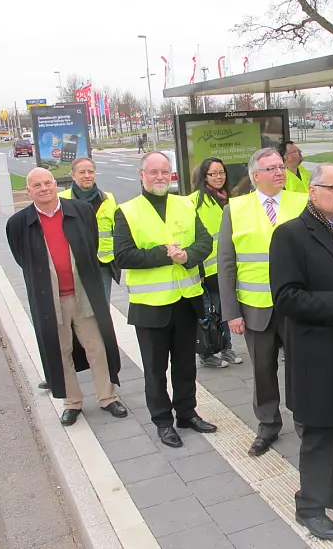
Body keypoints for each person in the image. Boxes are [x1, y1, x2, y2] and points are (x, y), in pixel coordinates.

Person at [270, 164, 333, 541]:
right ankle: (310, 506)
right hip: (316, 355)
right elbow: (286, 297)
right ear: (313, 192)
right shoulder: (291, 235)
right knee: (319, 434)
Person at [114, 151, 218, 448]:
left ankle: (187, 413)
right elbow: (123, 256)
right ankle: (162, 421)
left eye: (165, 172)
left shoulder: (184, 204)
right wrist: (163, 253)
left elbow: (205, 242)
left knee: (186, 365)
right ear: (142, 174)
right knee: (156, 369)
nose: (160, 177)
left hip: (186, 302)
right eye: (154, 172)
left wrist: (188, 257)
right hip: (150, 307)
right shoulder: (127, 211)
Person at [7, 168, 125, 426]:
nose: (44, 188)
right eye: (36, 185)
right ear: (28, 191)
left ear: (56, 184)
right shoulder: (18, 223)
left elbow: (91, 243)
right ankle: (72, 402)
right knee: (61, 351)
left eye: (47, 182)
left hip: (83, 295)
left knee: (96, 346)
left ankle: (108, 397)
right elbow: (22, 259)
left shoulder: (80, 211)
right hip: (50, 300)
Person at [217, 148, 308, 457]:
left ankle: (305, 422)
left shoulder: (302, 202)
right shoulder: (235, 208)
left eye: (281, 166)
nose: (280, 172)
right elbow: (226, 263)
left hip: (296, 306)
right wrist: (231, 312)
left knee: (300, 369)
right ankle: (268, 425)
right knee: (262, 372)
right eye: (271, 168)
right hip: (255, 308)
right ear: (256, 176)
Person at [189, 157, 241, 368]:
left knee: (225, 309)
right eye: (213, 173)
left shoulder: (231, 199)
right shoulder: (194, 201)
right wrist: (198, 267)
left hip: (227, 266)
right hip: (206, 268)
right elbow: (192, 237)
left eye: (222, 172)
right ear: (204, 176)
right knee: (208, 311)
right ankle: (206, 353)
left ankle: (226, 348)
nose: (219, 177)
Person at [58, 157, 120, 303]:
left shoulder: (108, 198)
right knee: (77, 308)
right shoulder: (61, 199)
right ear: (73, 175)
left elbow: (117, 230)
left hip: (102, 264)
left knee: (102, 308)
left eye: (90, 172)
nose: (87, 176)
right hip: (73, 264)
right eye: (82, 172)